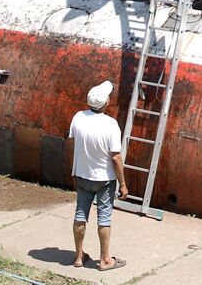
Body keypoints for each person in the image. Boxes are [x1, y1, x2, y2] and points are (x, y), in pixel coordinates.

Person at [70, 80, 126, 271]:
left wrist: (75, 171)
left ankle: (78, 257)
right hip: (104, 180)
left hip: (82, 176)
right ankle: (105, 260)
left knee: (80, 215)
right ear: (106, 103)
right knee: (104, 218)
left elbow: (72, 143)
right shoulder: (111, 125)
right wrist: (123, 184)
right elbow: (116, 158)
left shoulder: (77, 118)